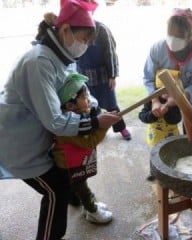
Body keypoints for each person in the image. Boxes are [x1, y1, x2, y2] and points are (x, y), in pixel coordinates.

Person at [0, 1, 120, 239]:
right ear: (65, 30)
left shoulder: (59, 56)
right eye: (83, 39)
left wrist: (95, 108)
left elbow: (75, 87)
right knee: (57, 189)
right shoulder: (39, 62)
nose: (84, 46)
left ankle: (86, 204)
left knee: (68, 171)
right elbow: (55, 121)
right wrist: (95, 123)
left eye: (87, 41)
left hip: (38, 139)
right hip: (18, 146)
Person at [52, 72, 113, 224]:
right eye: (84, 97)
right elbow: (89, 141)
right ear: (70, 105)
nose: (89, 100)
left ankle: (82, 203)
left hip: (72, 162)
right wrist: (104, 127)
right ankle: (92, 210)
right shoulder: (68, 125)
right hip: (68, 165)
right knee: (82, 189)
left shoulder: (74, 114)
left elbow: (91, 120)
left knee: (77, 188)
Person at [143, 7, 192, 135]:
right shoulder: (157, 48)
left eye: (179, 39)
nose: (172, 43)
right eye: (170, 36)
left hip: (191, 101)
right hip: (162, 98)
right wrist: (155, 101)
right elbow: (148, 78)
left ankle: (189, 149)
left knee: (190, 134)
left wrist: (181, 97)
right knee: (163, 132)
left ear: (190, 36)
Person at [77, 20, 131, 141]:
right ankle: (99, 131)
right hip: (84, 78)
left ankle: (121, 128)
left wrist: (112, 75)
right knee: (91, 107)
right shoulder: (74, 29)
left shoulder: (101, 29)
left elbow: (110, 52)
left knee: (112, 106)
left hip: (103, 78)